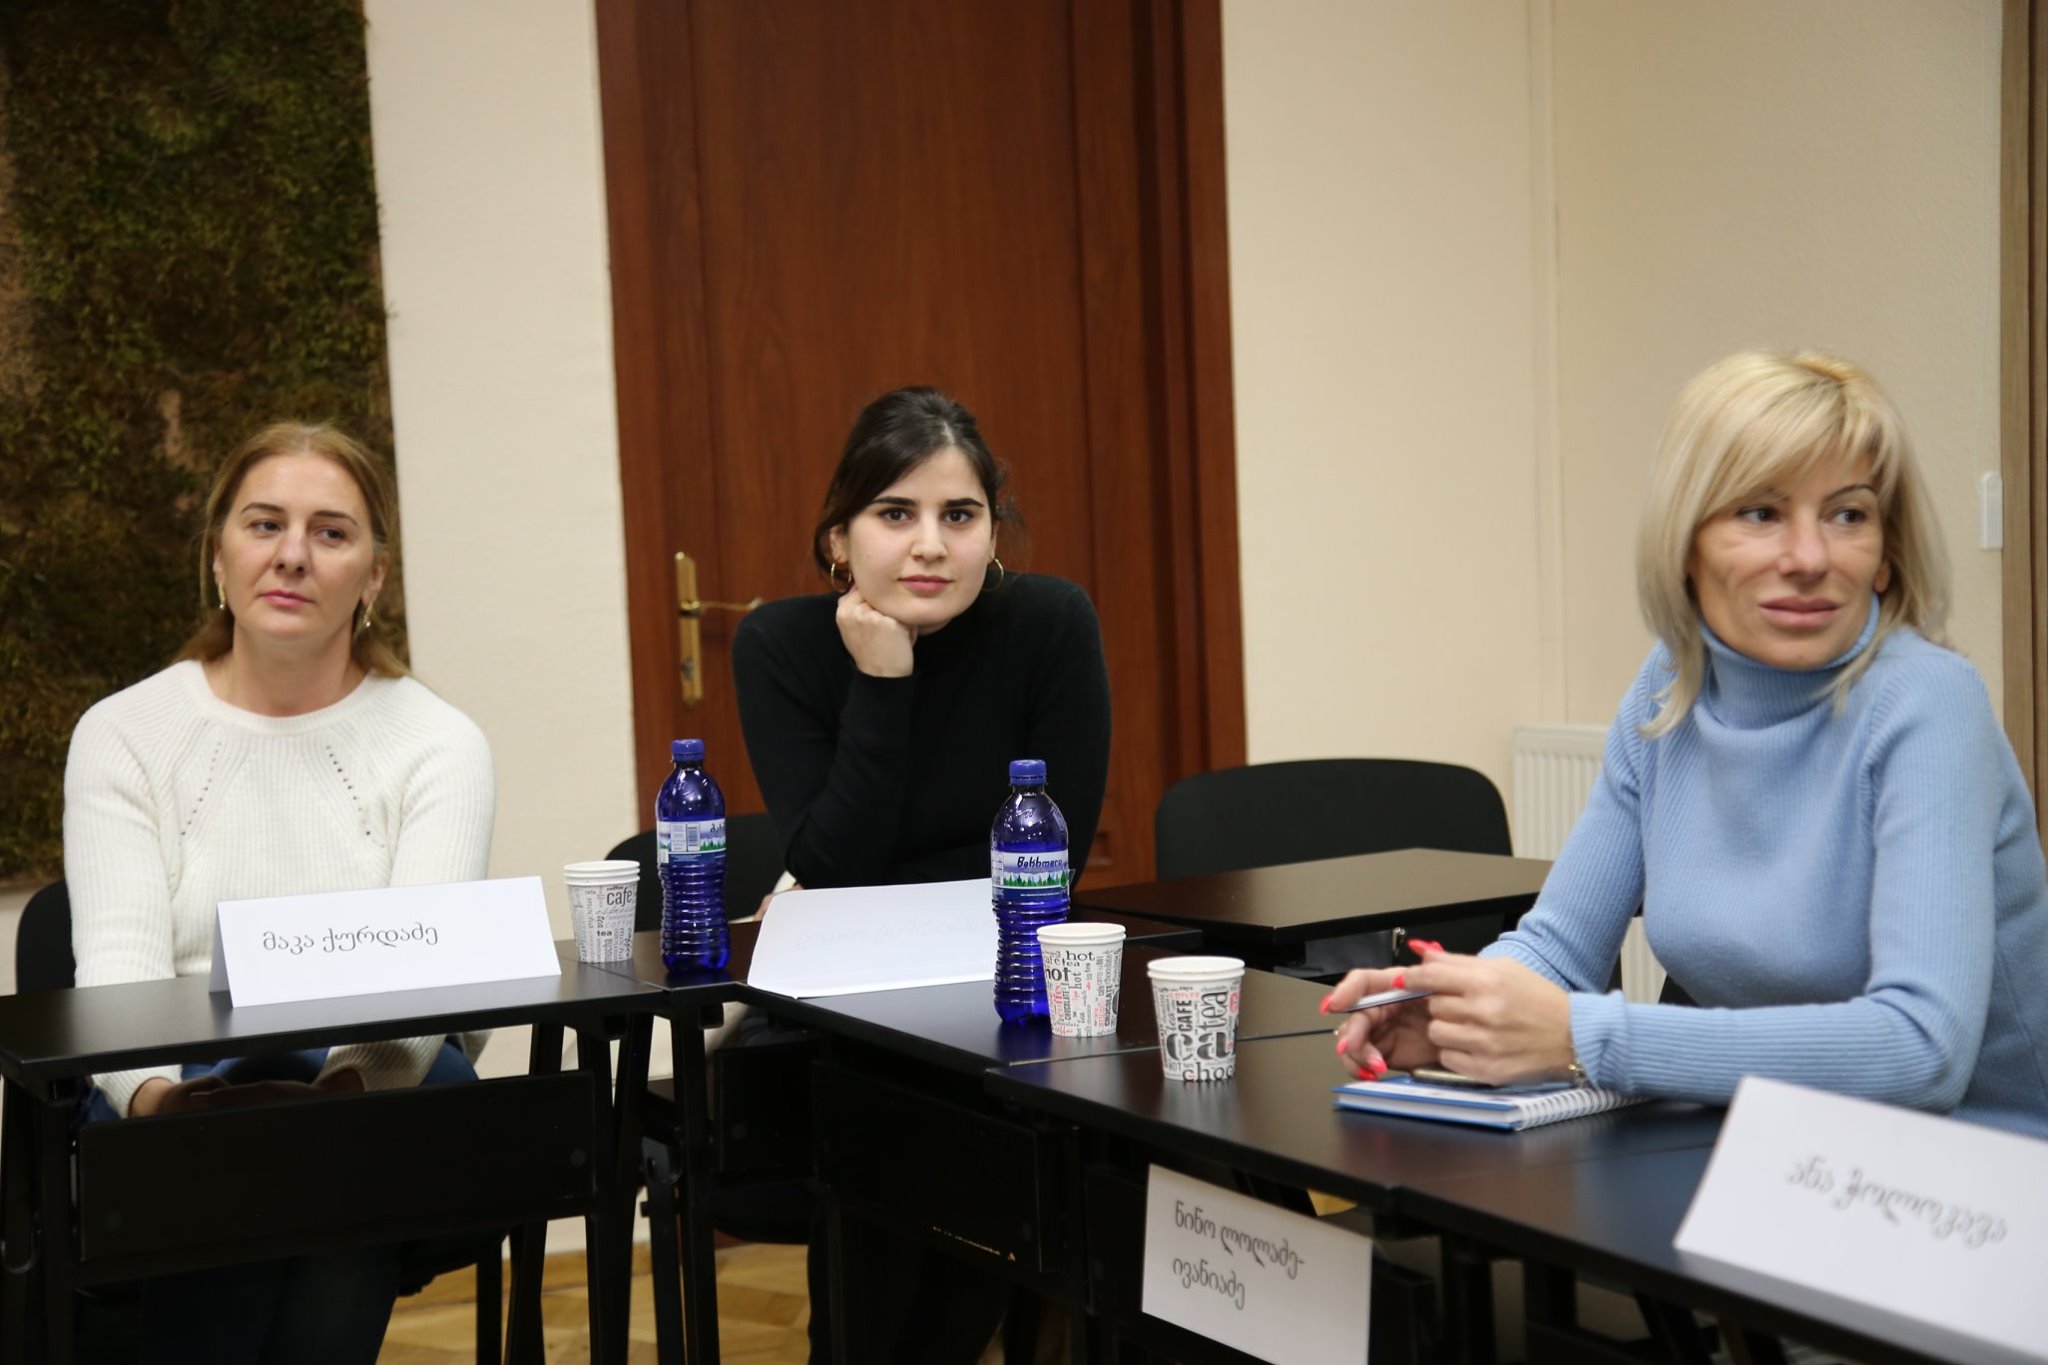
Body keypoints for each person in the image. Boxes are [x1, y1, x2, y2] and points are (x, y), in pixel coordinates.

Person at [1332, 351, 2048, 1141]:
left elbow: (1923, 1049)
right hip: (1770, 1138)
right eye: (1761, 513)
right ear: (1685, 546)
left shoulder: (1929, 701)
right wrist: (1456, 1009)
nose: (1810, 558)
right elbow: (1560, 947)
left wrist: (1582, 1036)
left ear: (1886, 557)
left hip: (1975, 1163)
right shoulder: (1670, 685)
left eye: (1848, 515)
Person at [62, 421, 496, 1362]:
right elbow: (119, 978)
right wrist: (165, 1104)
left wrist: (331, 1095)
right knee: (254, 1151)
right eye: (264, 524)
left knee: (338, 1139)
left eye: (331, 532)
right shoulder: (122, 732)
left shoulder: (440, 743)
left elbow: (424, 993)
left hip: (376, 1084)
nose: (293, 554)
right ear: (218, 554)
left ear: (374, 576)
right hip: (170, 1094)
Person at [731, 386, 1112, 1362]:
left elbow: (1050, 862)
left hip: (1006, 994)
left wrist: (853, 884)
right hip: (840, 1018)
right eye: (895, 514)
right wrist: (880, 679)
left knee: (1001, 1117)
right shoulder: (780, 644)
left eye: (960, 515)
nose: (930, 546)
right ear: (839, 538)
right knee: (891, 1110)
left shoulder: (1049, 624)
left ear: (993, 533)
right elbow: (833, 866)